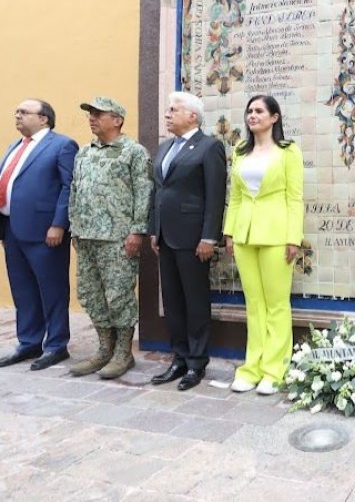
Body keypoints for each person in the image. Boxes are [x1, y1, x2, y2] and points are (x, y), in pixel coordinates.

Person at [223, 95, 304, 394]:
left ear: (274, 117)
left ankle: (275, 369)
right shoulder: (240, 151)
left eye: (259, 111)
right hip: (244, 235)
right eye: (249, 111)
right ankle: (251, 368)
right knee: (253, 304)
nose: (252, 115)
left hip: (277, 235)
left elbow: (295, 197)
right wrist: (230, 233)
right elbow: (236, 197)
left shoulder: (288, 151)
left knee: (276, 304)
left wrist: (293, 237)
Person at [69, 97, 153, 379]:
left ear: (117, 119)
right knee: (91, 295)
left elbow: (144, 192)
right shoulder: (84, 152)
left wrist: (137, 230)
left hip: (117, 238)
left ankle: (123, 352)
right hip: (86, 236)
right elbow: (75, 191)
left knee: (119, 296)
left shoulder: (133, 152)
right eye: (90, 114)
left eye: (98, 114)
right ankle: (105, 348)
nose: (91, 118)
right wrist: (74, 226)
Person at [149, 92, 226, 391]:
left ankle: (196, 363)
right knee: (173, 301)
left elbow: (215, 196)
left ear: (192, 116)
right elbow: (159, 192)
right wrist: (155, 229)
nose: (167, 114)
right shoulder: (165, 147)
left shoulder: (209, 147)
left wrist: (209, 236)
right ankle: (178, 358)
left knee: (195, 302)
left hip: (193, 237)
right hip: (166, 237)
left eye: (173, 110)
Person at [0, 99, 78, 370]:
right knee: (23, 290)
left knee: (52, 288)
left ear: (44, 118)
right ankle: (29, 341)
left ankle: (56, 345)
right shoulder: (14, 146)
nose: (17, 116)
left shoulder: (62, 145)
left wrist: (59, 224)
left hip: (46, 231)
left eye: (24, 112)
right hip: (12, 229)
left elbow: (69, 187)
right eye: (16, 112)